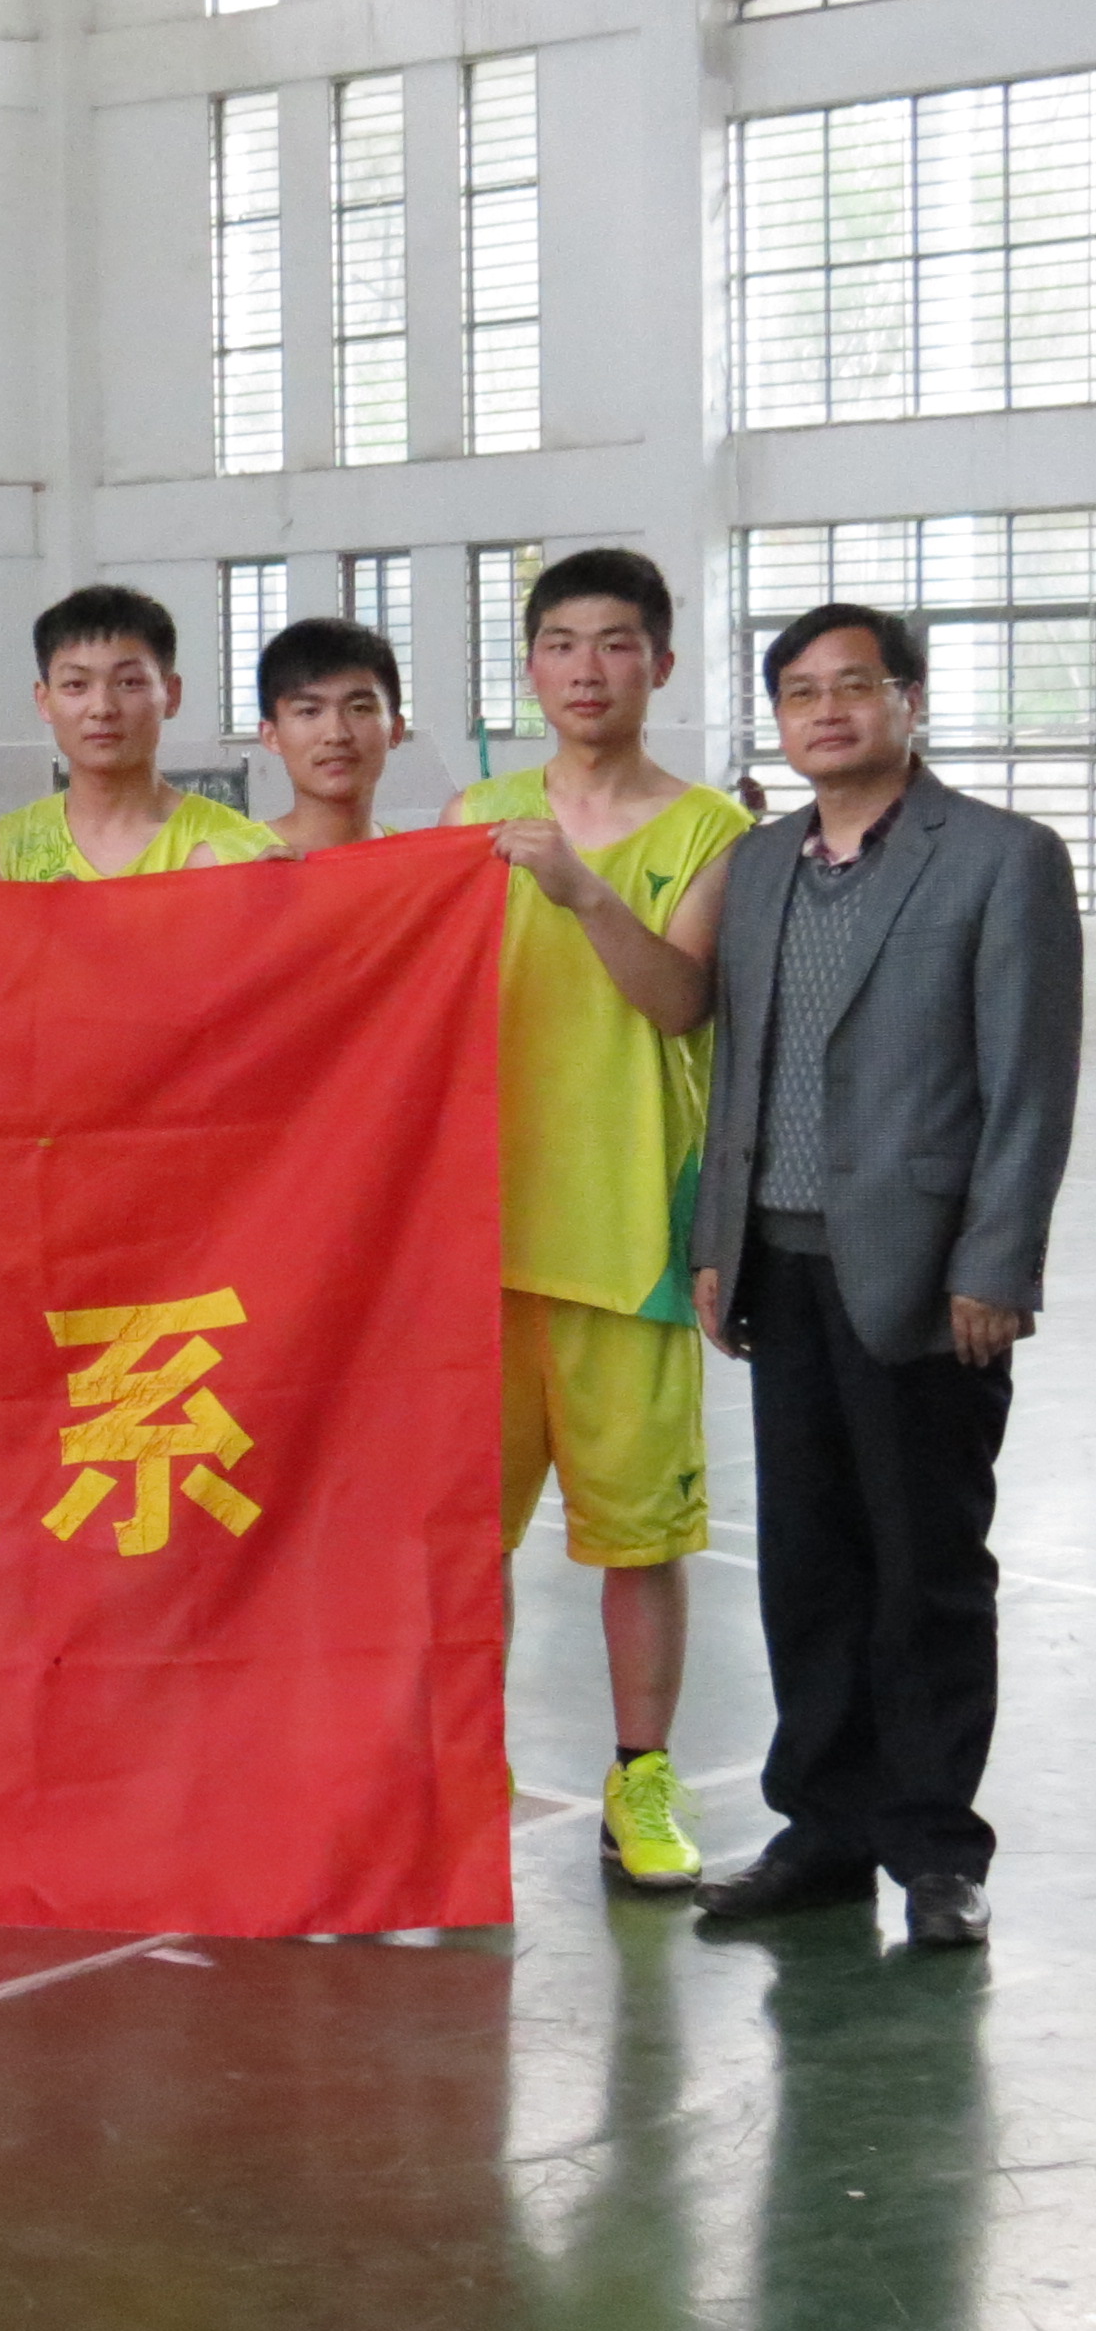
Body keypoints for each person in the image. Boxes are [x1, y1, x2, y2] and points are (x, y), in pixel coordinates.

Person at [691, 603, 1081, 1950]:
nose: (827, 711)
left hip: (926, 1274)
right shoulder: (757, 865)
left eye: (854, 685)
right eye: (800, 692)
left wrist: (996, 1261)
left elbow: (1029, 1081)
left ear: (909, 699)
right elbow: (735, 1068)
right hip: (781, 1266)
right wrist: (717, 1242)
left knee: (925, 1567)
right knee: (807, 1565)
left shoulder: (1000, 858)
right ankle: (823, 1829)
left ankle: (932, 1848)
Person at [442, 547, 748, 1891]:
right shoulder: (477, 812)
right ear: (531, 666)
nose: (586, 669)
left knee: (641, 1541)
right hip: (477, 1240)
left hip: (626, 1239)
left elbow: (680, 1003)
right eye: (561, 643)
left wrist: (578, 887)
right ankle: (466, 1770)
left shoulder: (710, 833)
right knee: (466, 1543)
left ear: (659, 664)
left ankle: (641, 1777)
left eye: (615, 643)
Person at [0, 585, 286, 879]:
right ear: (44, 701)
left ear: (171, 694)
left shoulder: (236, 848)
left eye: (129, 682)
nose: (102, 708)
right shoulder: (0, 852)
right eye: (76, 685)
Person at [255, 616, 407, 853]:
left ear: (396, 729)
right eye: (309, 711)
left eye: (359, 709)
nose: (336, 734)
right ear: (271, 735)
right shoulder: (223, 861)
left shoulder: (418, 860)